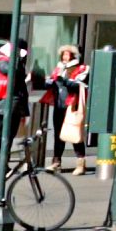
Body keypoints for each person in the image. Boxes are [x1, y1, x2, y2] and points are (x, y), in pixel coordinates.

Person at [47, 45, 91, 174]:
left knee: (75, 134)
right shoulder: (58, 68)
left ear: (73, 56)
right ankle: (56, 162)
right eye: (63, 54)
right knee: (58, 134)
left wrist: (64, 80)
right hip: (59, 105)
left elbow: (79, 86)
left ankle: (80, 163)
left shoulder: (82, 68)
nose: (65, 57)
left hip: (72, 105)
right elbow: (52, 83)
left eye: (68, 54)